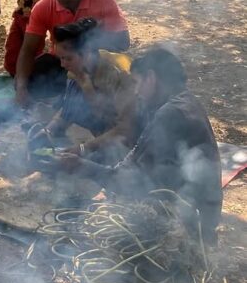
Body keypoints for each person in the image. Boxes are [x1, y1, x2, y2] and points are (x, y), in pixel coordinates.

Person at [54, 46, 222, 246]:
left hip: (186, 227)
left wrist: (83, 166)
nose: (135, 91)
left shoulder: (170, 115)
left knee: (91, 233)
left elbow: (134, 184)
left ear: (151, 78)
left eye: (136, 83)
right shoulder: (186, 101)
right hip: (202, 216)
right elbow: (138, 155)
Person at [14, 0, 130, 106]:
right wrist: (21, 87)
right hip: (64, 63)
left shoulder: (103, 0)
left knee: (106, 87)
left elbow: (123, 42)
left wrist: (85, 44)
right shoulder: (43, 7)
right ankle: (60, 102)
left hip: (95, 63)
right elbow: (28, 49)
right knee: (32, 75)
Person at [28, 18, 137, 164]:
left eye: (68, 59)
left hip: (132, 148)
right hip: (106, 139)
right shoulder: (77, 72)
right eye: (61, 59)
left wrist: (83, 149)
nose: (63, 64)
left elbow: (126, 128)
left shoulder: (117, 75)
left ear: (86, 53)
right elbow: (68, 108)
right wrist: (48, 130)